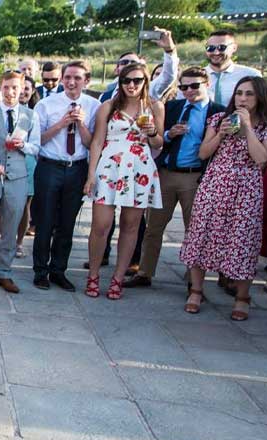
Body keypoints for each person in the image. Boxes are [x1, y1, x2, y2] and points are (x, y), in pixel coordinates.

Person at [181, 76, 267, 321]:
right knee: (202, 234)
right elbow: (203, 153)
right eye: (240, 93)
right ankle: (196, 290)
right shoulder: (218, 119)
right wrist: (220, 134)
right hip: (215, 184)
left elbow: (261, 158)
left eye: (249, 94)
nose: (243, 98)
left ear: (260, 96)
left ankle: (242, 296)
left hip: (246, 189)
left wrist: (247, 129)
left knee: (242, 240)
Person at [125, 67, 225, 289]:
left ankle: (194, 280)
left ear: (206, 84)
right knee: (153, 227)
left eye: (194, 85)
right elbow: (158, 137)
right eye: (184, 86)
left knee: (195, 229)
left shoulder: (217, 112)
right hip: (167, 173)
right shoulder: (173, 107)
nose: (188, 90)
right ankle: (144, 272)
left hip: (196, 176)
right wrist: (170, 134)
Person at [83, 63, 164, 300]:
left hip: (139, 167)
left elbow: (159, 143)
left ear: (145, 82)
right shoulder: (108, 106)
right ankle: (94, 275)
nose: (131, 85)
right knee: (100, 225)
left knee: (131, 226)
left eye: (137, 81)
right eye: (126, 80)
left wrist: (150, 132)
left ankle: (118, 278)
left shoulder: (154, 107)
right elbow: (97, 141)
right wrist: (91, 175)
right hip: (109, 167)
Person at [31, 60, 100, 291]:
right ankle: (40, 270)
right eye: (68, 77)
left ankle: (58, 270)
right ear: (61, 79)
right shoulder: (46, 105)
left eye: (77, 78)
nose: (71, 82)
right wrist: (62, 123)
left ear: (86, 81)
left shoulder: (93, 105)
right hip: (50, 166)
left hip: (76, 167)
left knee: (67, 223)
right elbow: (37, 139)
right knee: (45, 221)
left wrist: (80, 125)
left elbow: (92, 143)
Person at [0, 70, 40, 294]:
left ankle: (4, 273)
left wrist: (23, 146)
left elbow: (37, 147)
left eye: (15, 87)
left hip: (18, 178)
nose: (11, 92)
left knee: (11, 227)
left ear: (22, 88)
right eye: (6, 87)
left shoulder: (30, 115)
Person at [98, 29, 177, 102]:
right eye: (124, 62)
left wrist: (169, 50)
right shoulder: (104, 97)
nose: (129, 65)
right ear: (116, 70)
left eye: (133, 62)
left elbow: (168, 76)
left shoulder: (149, 89)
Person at [15, 77, 41, 258]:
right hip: (6, 162)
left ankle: (19, 242)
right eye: (20, 88)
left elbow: (37, 144)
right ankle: (6, 238)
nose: (23, 92)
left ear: (32, 91)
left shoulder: (34, 113)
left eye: (27, 89)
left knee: (25, 207)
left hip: (28, 162)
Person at [203, 30, 262, 107]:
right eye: (210, 48)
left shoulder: (251, 75)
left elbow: (262, 107)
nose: (216, 52)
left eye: (222, 47)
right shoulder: (194, 78)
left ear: (234, 48)